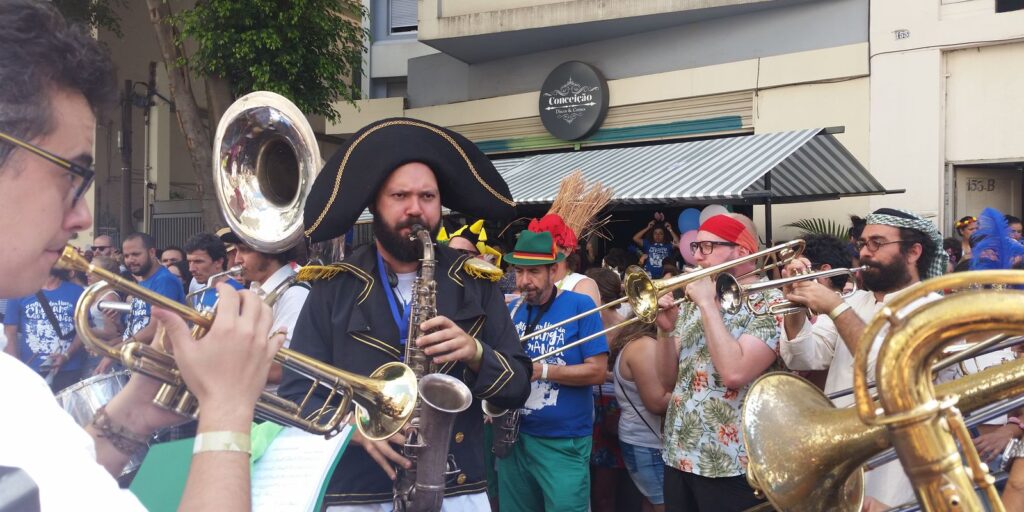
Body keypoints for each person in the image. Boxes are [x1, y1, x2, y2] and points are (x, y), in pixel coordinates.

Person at [0, 2, 281, 509]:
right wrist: (227, 411)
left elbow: (48, 487)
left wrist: (135, 411)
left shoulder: (13, 389)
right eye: (73, 175)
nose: (82, 217)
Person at [279, 117, 531, 510]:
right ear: (374, 205)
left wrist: (476, 353)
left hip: (457, 490)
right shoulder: (332, 286)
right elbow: (297, 392)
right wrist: (352, 429)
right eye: (400, 196)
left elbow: (518, 385)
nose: (416, 210)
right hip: (359, 490)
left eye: (427, 197)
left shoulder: (477, 282)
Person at [780, 207, 948, 509]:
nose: (866, 253)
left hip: (894, 472)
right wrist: (794, 304)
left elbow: (890, 371)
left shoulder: (934, 308)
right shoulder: (855, 299)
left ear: (913, 252)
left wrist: (835, 307)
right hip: (840, 456)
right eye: (863, 244)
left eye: (877, 244)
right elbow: (804, 358)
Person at [654, 213, 784, 512]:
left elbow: (735, 373)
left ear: (743, 250)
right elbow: (666, 380)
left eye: (707, 247)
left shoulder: (771, 302)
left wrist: (705, 304)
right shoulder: (695, 300)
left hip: (733, 461)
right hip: (680, 453)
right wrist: (664, 329)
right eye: (696, 247)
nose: (696, 256)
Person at [498, 230, 609, 512]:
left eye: (533, 272)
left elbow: (597, 372)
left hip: (563, 442)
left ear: (554, 270)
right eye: (519, 271)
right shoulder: (513, 310)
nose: (524, 281)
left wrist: (542, 371)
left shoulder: (580, 305)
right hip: (515, 439)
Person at [225, 230, 309, 386]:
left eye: (244, 250)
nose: (237, 259)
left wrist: (218, 361)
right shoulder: (256, 289)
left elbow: (281, 368)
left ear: (269, 251)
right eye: (236, 251)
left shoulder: (295, 294)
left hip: (276, 403)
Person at [613, 319, 671, 512]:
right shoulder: (644, 346)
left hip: (645, 441)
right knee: (664, 506)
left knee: (651, 504)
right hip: (648, 443)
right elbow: (657, 402)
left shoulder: (641, 342)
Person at [4, 267, 88, 392]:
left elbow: (83, 330)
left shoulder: (77, 292)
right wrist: (16, 369)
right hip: (31, 371)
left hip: (69, 369)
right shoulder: (20, 291)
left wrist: (66, 355)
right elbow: (10, 333)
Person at [185, 232, 244, 311]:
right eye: (189, 262)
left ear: (219, 262)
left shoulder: (236, 292)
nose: (191, 269)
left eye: (198, 262)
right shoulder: (200, 292)